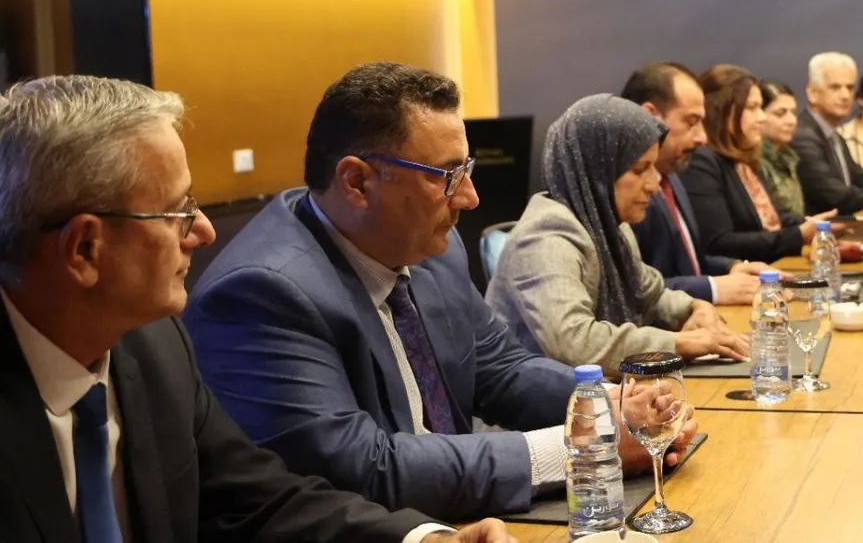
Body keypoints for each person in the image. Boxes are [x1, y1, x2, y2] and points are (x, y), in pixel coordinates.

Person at [0, 75, 514, 543]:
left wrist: (429, 542)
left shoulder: (154, 346)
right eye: (178, 211)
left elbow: (260, 502)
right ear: (85, 250)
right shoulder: (217, 310)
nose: (204, 232)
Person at [183, 62, 696, 522]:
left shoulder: (433, 248)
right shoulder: (262, 293)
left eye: (466, 170)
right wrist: (581, 447)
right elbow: (363, 470)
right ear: (357, 183)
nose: (470, 198)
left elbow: (500, 369)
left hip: (465, 514)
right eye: (448, 176)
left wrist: (609, 405)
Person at [485, 94, 750, 376]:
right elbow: (576, 343)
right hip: (541, 401)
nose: (653, 185)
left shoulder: (610, 225)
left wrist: (694, 308)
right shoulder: (545, 239)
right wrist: (680, 343)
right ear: (596, 172)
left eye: (652, 167)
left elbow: (650, 295)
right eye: (639, 170)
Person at [620, 61, 777, 305]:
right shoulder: (621, 190)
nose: (702, 138)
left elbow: (690, 262)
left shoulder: (672, 177)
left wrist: (731, 267)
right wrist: (712, 288)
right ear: (650, 116)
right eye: (691, 121)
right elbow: (632, 288)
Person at [679, 64, 836, 263]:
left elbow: (775, 217)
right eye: (751, 108)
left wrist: (817, 225)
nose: (761, 117)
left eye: (760, 107)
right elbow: (718, 242)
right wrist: (798, 235)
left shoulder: (743, 160)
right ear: (722, 111)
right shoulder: (702, 162)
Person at [792, 52, 863, 215]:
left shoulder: (833, 136)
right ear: (813, 93)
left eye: (850, 88)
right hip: (823, 229)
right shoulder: (803, 136)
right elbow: (838, 197)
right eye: (835, 87)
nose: (845, 96)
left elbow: (862, 181)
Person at [758, 79, 806, 220]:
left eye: (793, 113)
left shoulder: (788, 157)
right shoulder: (754, 161)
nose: (791, 121)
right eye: (780, 114)